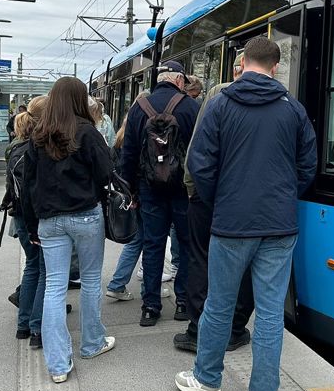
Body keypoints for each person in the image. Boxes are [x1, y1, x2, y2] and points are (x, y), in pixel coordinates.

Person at [176, 37, 317, 391]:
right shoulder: (294, 110)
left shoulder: (220, 104)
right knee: (270, 314)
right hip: (279, 226)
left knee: (219, 304)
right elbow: (308, 166)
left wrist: (223, 199)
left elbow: (199, 163)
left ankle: (207, 380)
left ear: (241, 63)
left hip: (231, 224)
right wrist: (284, 196)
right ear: (275, 66)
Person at [21, 77, 115, 382]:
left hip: (49, 220)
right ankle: (92, 343)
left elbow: (28, 184)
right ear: (79, 99)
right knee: (89, 281)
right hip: (86, 216)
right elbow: (106, 173)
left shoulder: (38, 135)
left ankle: (58, 365)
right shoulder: (88, 132)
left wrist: (33, 224)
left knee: (54, 287)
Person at [173, 59, 254, 354]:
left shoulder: (218, 94)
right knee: (246, 267)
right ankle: (234, 328)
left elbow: (197, 151)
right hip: (249, 202)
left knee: (200, 260)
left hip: (211, 198)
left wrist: (196, 191)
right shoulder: (281, 99)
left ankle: (198, 330)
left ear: (237, 68)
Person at [119, 60, 199, 327]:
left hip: (149, 189)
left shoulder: (139, 108)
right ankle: (184, 303)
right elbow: (199, 151)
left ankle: (150, 308)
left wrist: (130, 191)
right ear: (179, 80)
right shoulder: (190, 107)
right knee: (187, 245)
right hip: (183, 191)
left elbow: (128, 155)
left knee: (152, 245)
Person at [2, 100, 49, 349]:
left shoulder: (14, 148)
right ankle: (37, 327)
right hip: (37, 218)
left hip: (19, 215)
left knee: (31, 267)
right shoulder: (39, 149)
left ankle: (23, 325)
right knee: (44, 271)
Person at [105, 118, 139, 302]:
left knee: (137, 240)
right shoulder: (135, 140)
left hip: (124, 194)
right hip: (135, 197)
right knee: (142, 241)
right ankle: (117, 284)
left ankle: (117, 284)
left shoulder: (119, 140)